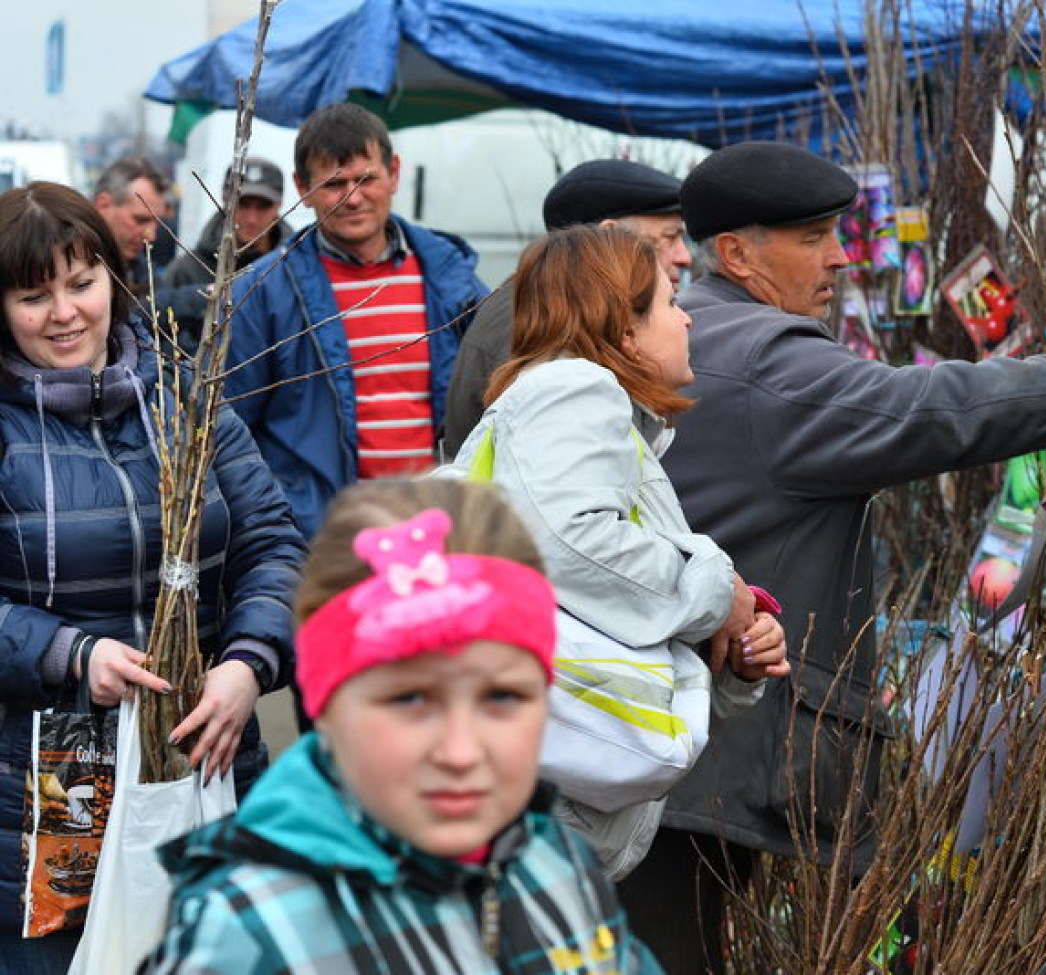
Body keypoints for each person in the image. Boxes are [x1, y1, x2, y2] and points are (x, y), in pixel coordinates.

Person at [617, 140, 1046, 973]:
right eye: (813, 237)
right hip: (712, 753)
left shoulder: (690, 334)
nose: (842, 256)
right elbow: (930, 409)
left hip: (669, 730)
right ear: (738, 252)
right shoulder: (763, 359)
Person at [141, 477, 664, 974]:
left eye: (502, 697)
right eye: (410, 700)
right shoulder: (248, 933)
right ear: (328, 710)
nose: (461, 751)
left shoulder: (557, 864)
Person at [0, 182, 305, 973]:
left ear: (113, 277)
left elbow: (273, 542)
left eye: (81, 283)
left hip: (202, 751)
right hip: (49, 780)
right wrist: (68, 653)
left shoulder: (186, 397)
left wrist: (247, 665)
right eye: (33, 296)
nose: (64, 312)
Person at [441, 225, 789, 878]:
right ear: (624, 332)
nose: (686, 316)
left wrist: (735, 652)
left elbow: (601, 620)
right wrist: (719, 594)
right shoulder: (575, 389)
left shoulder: (583, 413)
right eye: (668, 300)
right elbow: (572, 543)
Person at [225, 103, 489, 541]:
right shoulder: (261, 292)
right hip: (325, 544)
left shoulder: (451, 278)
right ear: (302, 189)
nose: (353, 197)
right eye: (334, 184)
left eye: (365, 179)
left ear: (394, 173)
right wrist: (280, 525)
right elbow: (229, 431)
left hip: (439, 535)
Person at [442, 158, 692, 455]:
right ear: (609, 234)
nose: (684, 256)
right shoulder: (538, 320)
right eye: (670, 237)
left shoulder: (553, 308)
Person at [162, 157, 290, 352]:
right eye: (242, 204)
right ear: (224, 200)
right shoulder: (186, 270)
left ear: (279, 205)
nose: (251, 217)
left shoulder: (294, 269)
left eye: (263, 206)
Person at [92, 156, 207, 344]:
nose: (151, 236)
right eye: (140, 220)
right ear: (104, 204)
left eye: (157, 223)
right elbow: (118, 323)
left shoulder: (142, 270)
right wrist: (194, 299)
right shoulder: (68, 263)